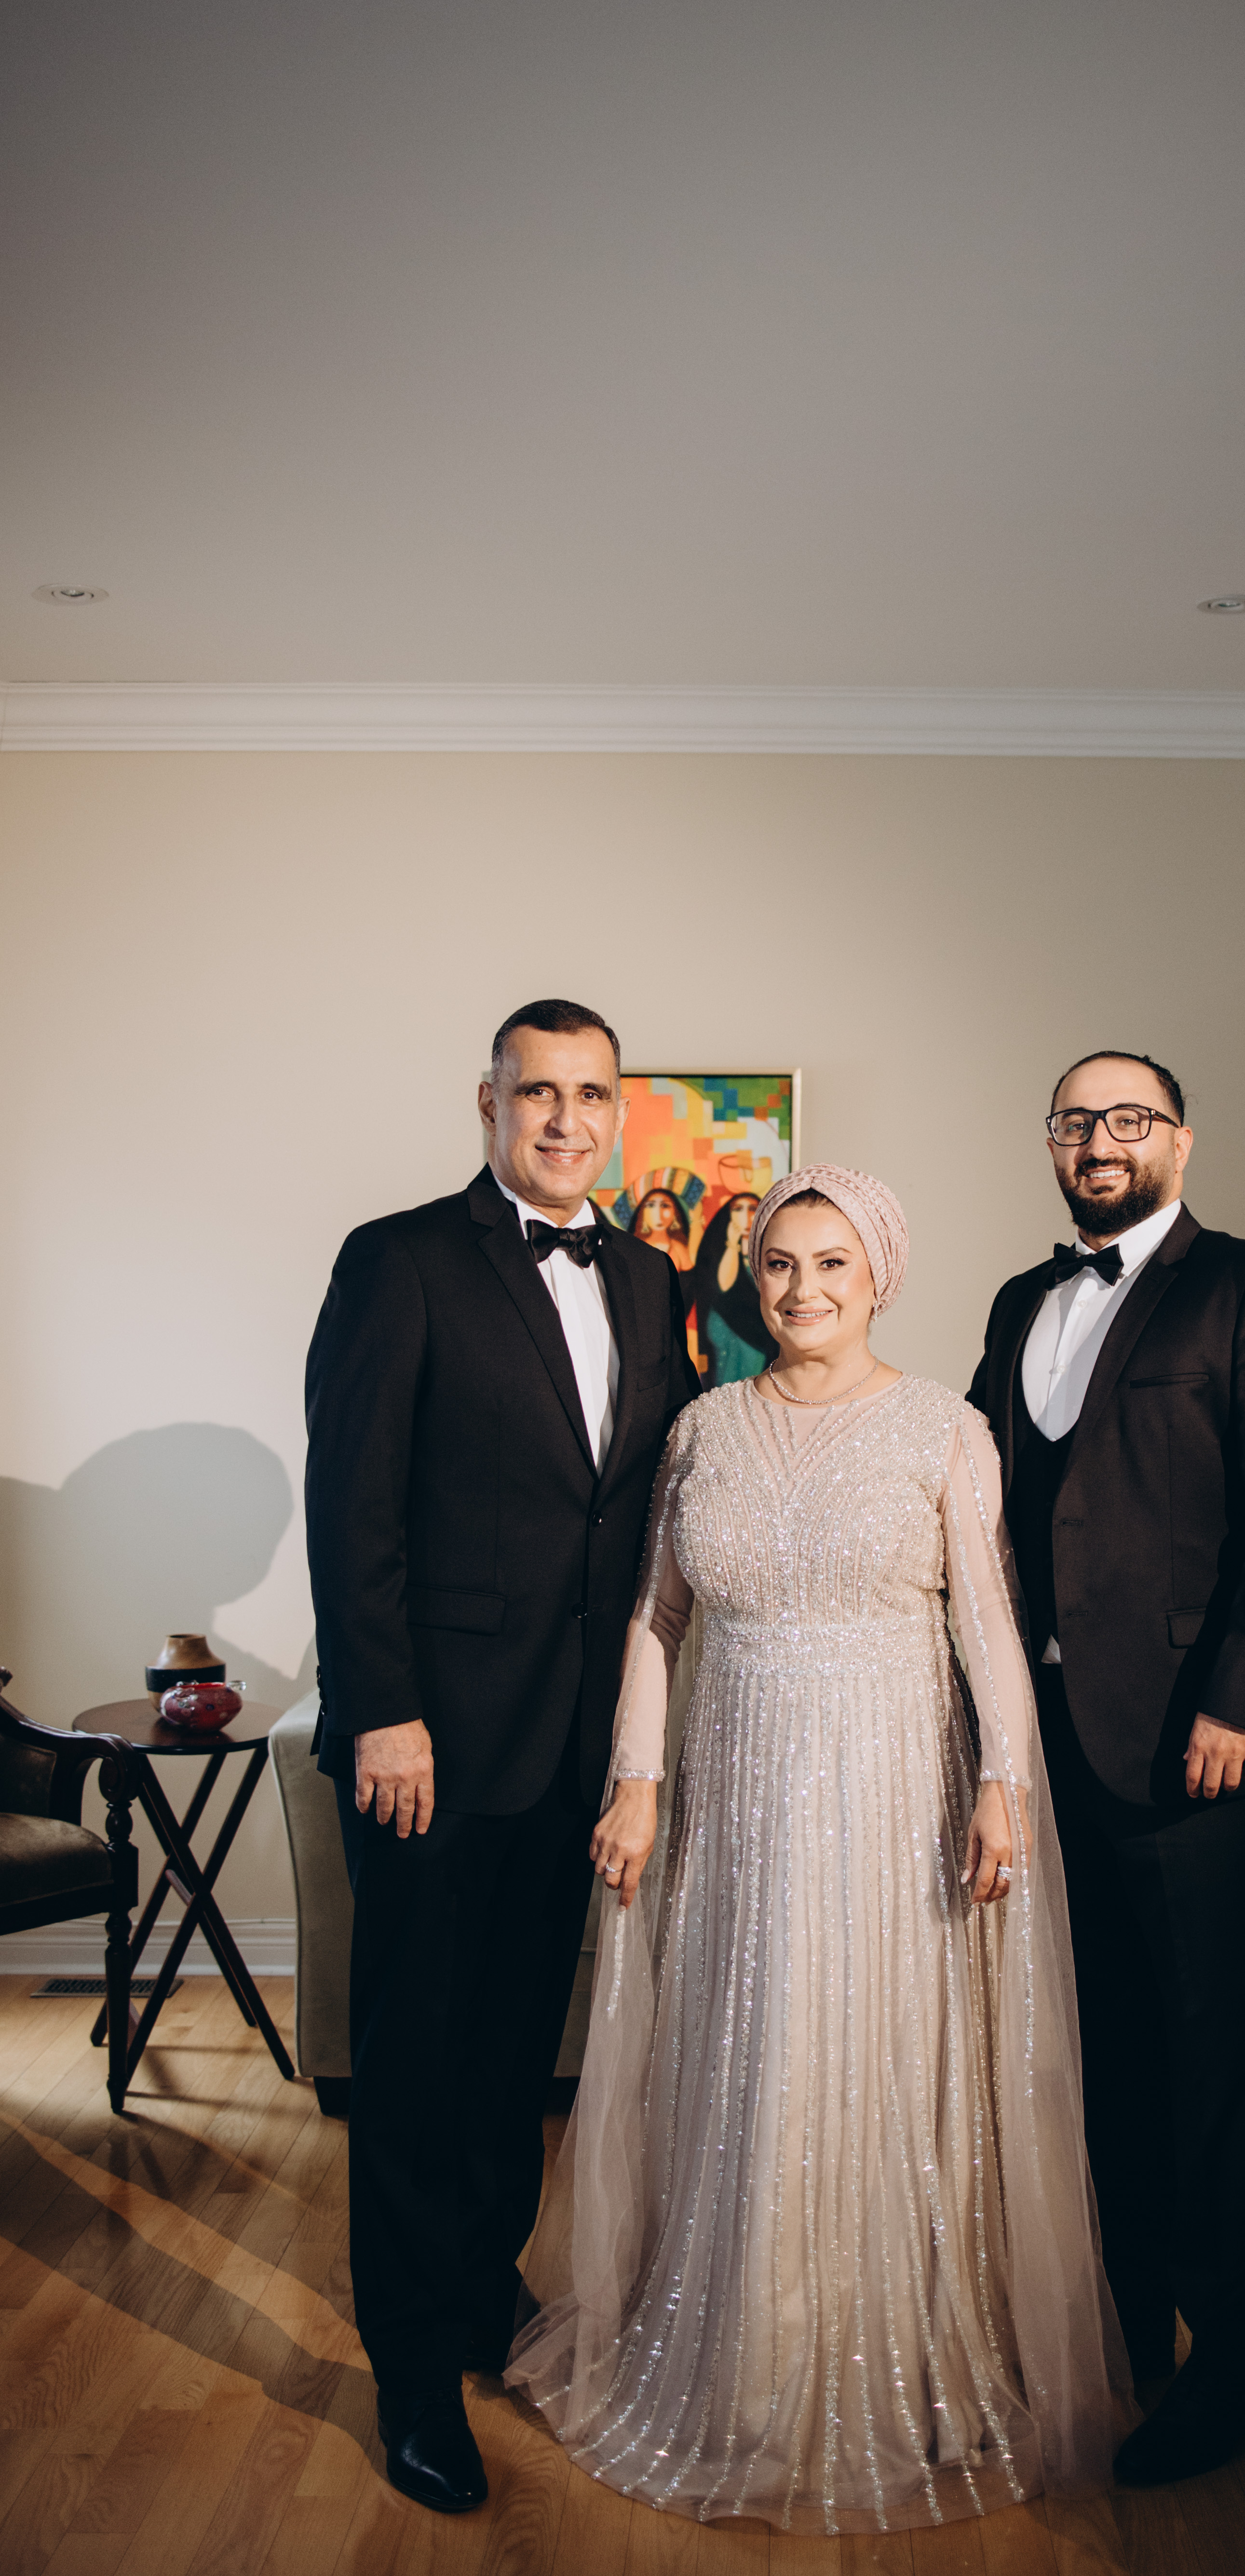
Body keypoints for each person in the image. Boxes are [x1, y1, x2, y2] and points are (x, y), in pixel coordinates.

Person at [509, 1165, 1135, 2533]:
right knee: (748, 2047)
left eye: (832, 1264)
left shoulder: (943, 1427)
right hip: (734, 1795)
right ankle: (742, 2357)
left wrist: (1003, 1784)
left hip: (892, 1789)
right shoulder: (702, 1428)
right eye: (780, 1264)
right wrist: (636, 1782)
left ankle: (893, 2357)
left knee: (867, 2047)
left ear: (879, 1277)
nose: (802, 1290)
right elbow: (658, 1619)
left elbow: (988, 1625)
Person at [304, 998, 700, 2515]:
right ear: (489, 1104)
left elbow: (645, 1502)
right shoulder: (397, 1260)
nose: (564, 1119)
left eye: (591, 1094)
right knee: (414, 2060)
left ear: (619, 1112)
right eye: (537, 1092)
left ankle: (478, 2293)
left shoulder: (650, 1276)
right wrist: (382, 1707)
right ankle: (411, 2370)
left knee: (515, 2052)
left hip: (576, 1742)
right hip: (432, 1741)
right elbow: (353, 1504)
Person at [966, 1051, 1245, 2485]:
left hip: (1201, 1746)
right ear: (1051, 1144)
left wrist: (1243, 1697)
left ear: (1178, 1141)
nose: (1100, 1140)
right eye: (1076, 1120)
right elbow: (979, 1491)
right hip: (1053, 1743)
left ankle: (1228, 2366)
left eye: (1128, 1118)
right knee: (1101, 2050)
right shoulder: (1020, 1300)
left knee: (1210, 2060)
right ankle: (1122, 2323)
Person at [690, 1187, 773, 1382]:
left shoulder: (770, 1251)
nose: (746, 1216)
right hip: (726, 1328)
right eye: (738, 1209)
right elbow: (725, 1286)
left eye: (752, 1209)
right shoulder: (721, 1249)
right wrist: (733, 1244)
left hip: (758, 1332)